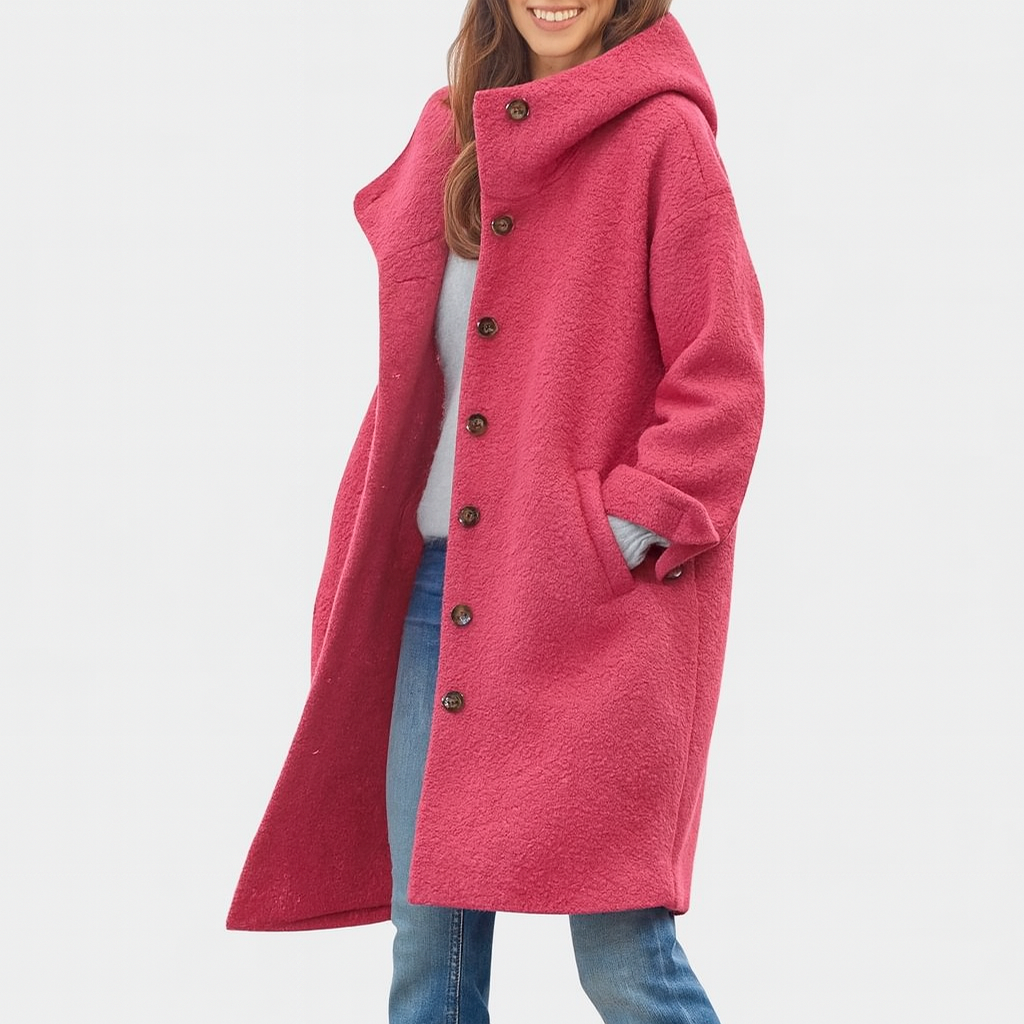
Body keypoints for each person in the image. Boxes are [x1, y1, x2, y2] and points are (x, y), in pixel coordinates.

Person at [227, 2, 765, 1021]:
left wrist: (610, 534)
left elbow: (722, 375)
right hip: (433, 593)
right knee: (427, 951)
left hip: (591, 611)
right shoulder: (457, 133)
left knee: (621, 956)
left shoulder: (661, 137)